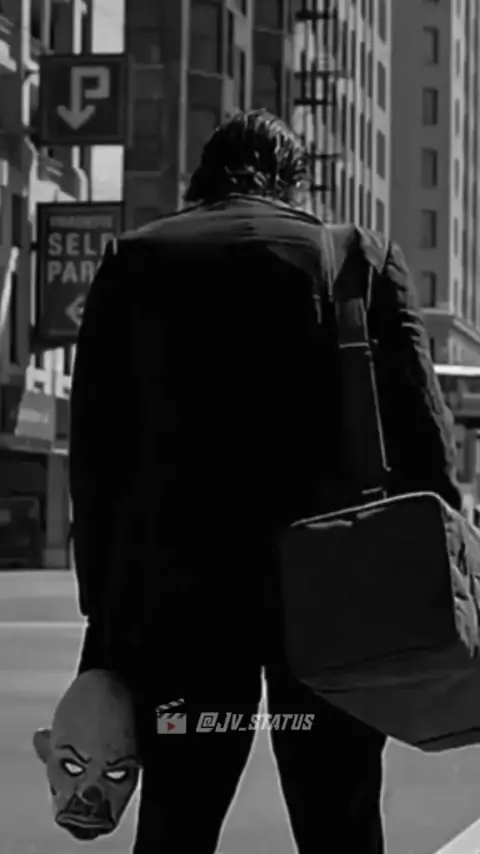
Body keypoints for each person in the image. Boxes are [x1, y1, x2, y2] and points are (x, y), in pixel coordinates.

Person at [69, 109, 462, 853]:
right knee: (341, 817)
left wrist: (105, 629)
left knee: (178, 817)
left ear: (203, 178)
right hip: (337, 596)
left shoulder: (136, 259)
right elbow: (424, 436)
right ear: (295, 183)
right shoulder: (356, 258)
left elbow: (97, 459)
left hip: (179, 597)